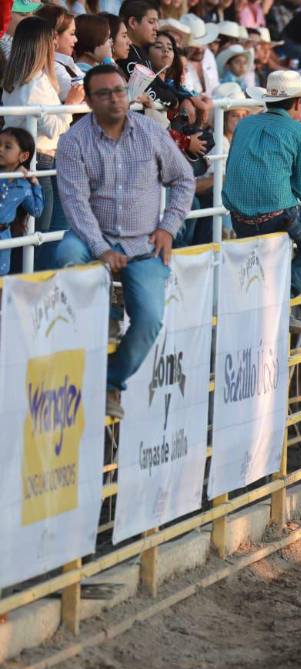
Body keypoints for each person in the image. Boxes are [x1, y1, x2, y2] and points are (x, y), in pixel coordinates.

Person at [54, 64, 196, 419]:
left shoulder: (150, 131)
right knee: (68, 254)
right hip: (93, 236)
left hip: (143, 242)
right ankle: (106, 312)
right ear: (88, 100)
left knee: (149, 319)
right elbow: (74, 202)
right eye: (104, 93)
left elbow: (183, 179)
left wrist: (169, 226)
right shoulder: (73, 141)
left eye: (119, 90)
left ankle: (110, 380)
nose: (115, 99)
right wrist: (100, 247)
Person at [223, 70, 301, 330]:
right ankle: (286, 298)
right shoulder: (300, 133)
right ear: (297, 103)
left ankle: (273, 301)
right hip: (278, 217)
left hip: (240, 219)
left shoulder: (246, 124)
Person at [2, 16, 83, 242]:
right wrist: (72, 104)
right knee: (40, 236)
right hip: (39, 164)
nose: (56, 45)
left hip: (32, 162)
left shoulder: (17, 80)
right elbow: (53, 129)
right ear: (43, 45)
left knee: (36, 234)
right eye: (52, 40)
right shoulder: (34, 82)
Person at [0, 127, 44, 276]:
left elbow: (36, 211)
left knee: (2, 278)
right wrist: (10, 178)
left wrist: (35, 184)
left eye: (7, 146)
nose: (0, 149)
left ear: (24, 156)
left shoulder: (23, 186)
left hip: (3, 235)